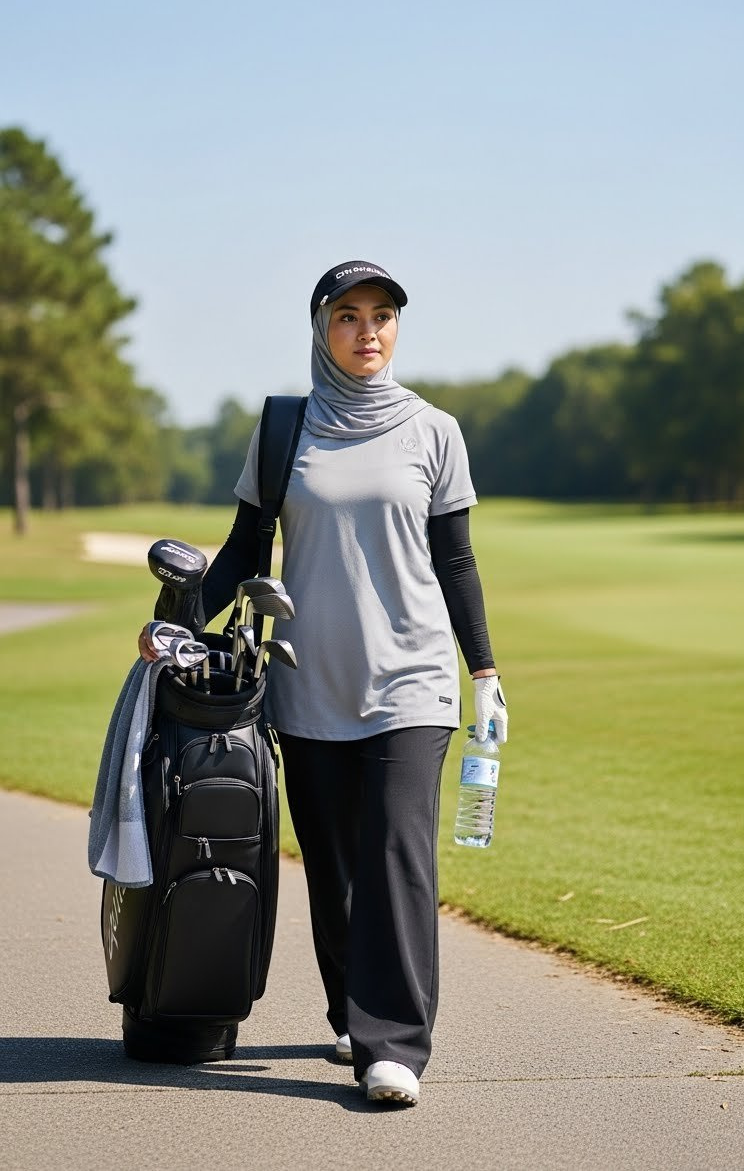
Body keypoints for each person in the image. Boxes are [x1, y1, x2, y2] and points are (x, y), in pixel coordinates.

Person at [139, 261, 507, 1106]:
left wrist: (483, 669)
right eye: (348, 315)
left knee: (396, 853)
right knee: (334, 863)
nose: (367, 330)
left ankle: (395, 1045)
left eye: (382, 315)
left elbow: (455, 559)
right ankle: (350, 1009)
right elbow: (245, 548)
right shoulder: (283, 430)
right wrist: (179, 625)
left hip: (413, 681)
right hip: (307, 682)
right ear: (320, 327)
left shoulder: (434, 431)